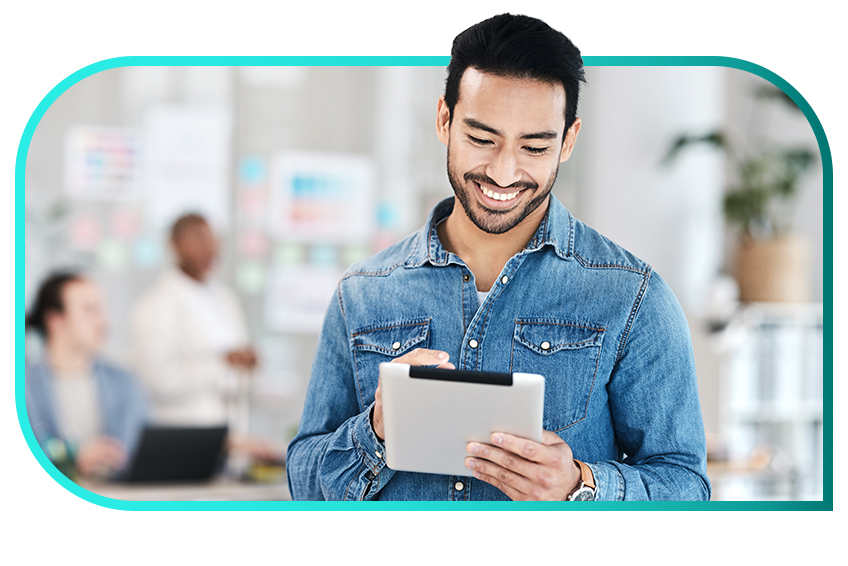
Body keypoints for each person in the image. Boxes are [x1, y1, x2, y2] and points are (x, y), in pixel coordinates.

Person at [287, 13, 711, 501]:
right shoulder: (362, 293)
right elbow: (304, 482)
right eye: (482, 139)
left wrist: (580, 485)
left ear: (568, 140)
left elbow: (688, 489)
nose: (504, 173)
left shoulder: (632, 298)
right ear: (445, 119)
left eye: (534, 146)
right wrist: (375, 431)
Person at [130, 213, 257, 426]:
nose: (210, 247)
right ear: (175, 245)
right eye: (199, 238)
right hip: (184, 432)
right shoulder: (155, 305)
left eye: (213, 239)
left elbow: (237, 369)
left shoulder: (225, 299)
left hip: (232, 431)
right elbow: (157, 379)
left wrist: (246, 362)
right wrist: (222, 364)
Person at [25, 272, 147, 479]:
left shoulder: (125, 381)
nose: (102, 320)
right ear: (55, 321)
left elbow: (142, 450)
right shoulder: (23, 386)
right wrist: (72, 462)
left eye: (102, 309)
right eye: (89, 310)